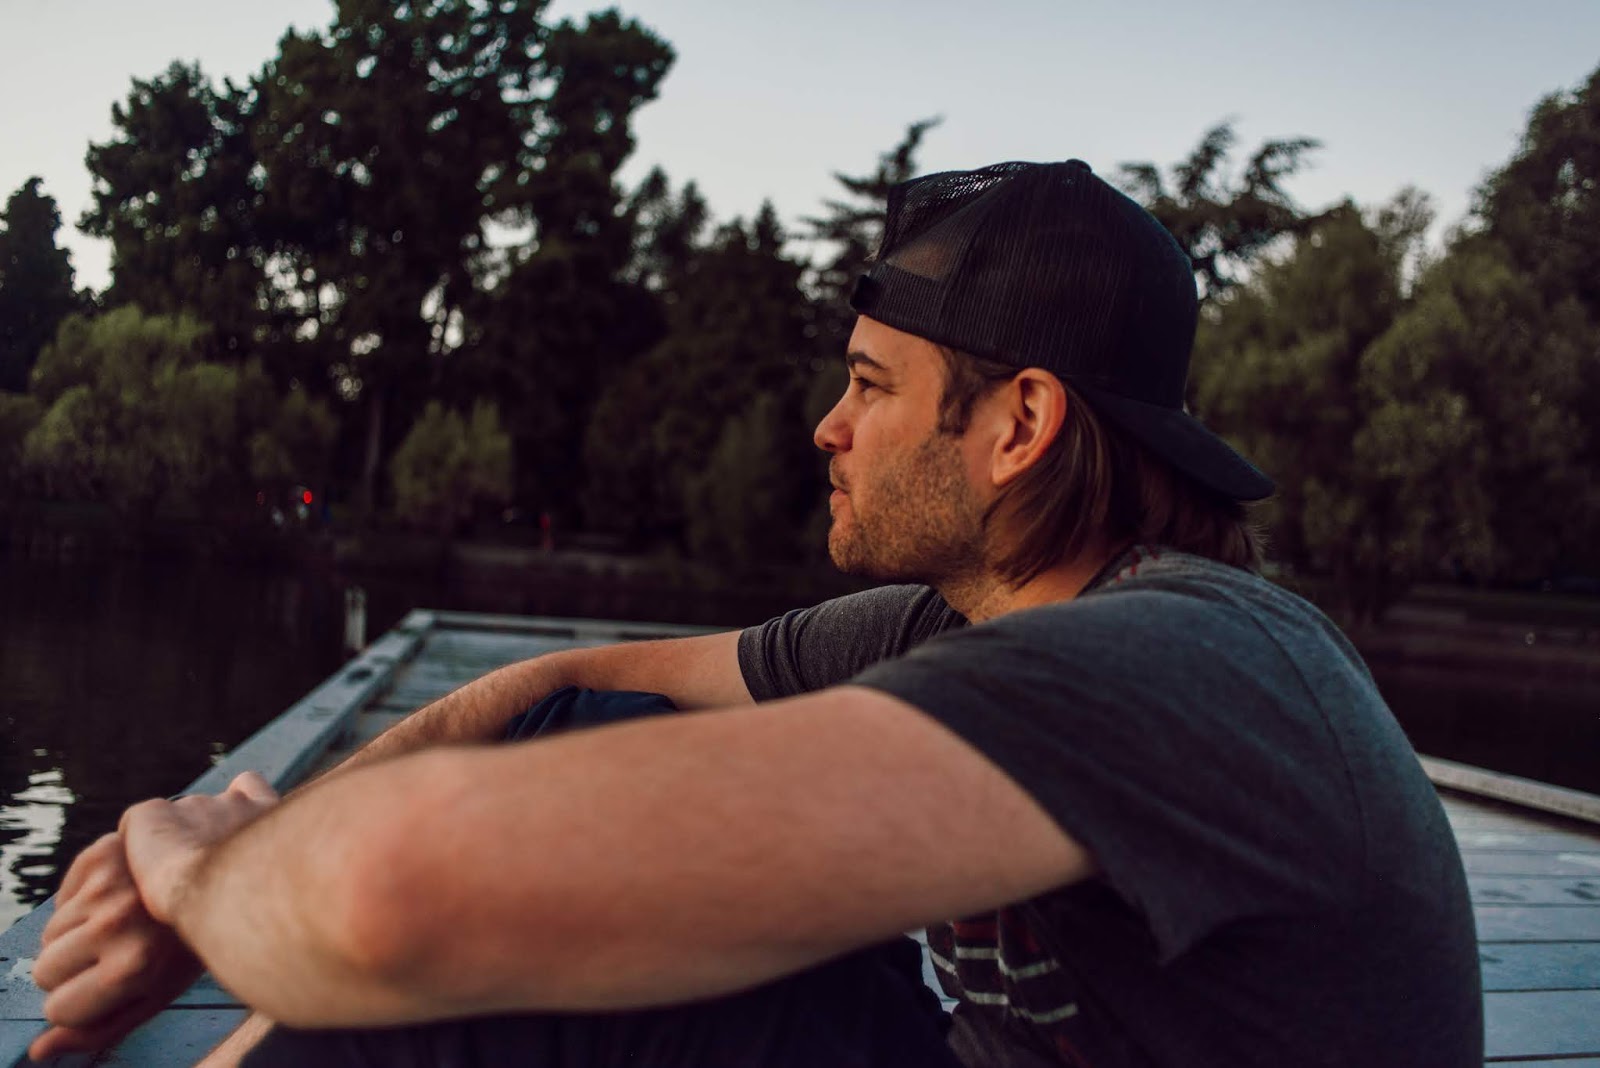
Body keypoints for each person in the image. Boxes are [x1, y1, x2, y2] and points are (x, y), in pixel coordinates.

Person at [29, 160, 1483, 1068]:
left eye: (869, 384)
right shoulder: (950, 622)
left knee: (494, 964)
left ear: (1021, 424)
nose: (825, 429)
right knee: (595, 743)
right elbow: (558, 689)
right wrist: (263, 864)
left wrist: (200, 869)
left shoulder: (1192, 667)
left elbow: (389, 894)